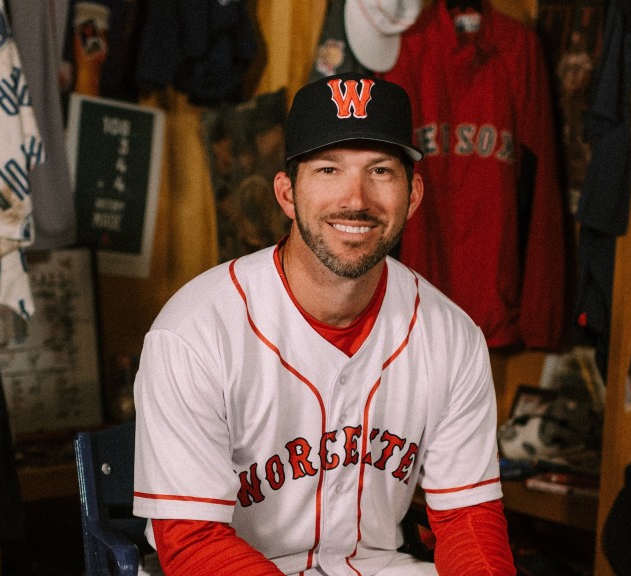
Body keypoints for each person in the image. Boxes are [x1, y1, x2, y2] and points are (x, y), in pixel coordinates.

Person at [133, 72, 516, 576]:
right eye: (329, 170)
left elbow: (468, 521)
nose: (356, 198)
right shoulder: (194, 331)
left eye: (380, 171)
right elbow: (192, 542)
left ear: (413, 194)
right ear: (287, 193)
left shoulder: (452, 337)